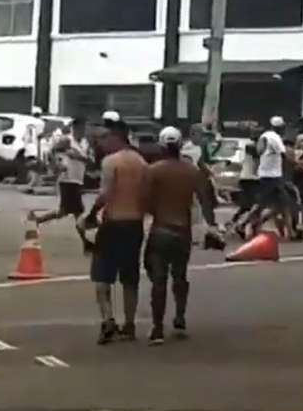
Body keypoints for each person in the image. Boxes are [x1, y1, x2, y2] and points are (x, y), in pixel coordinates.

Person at [143, 126, 217, 345]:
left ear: (162, 146)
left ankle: (157, 328)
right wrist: (211, 226)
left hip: (161, 228)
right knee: (180, 276)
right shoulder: (191, 171)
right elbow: (205, 200)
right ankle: (180, 316)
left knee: (158, 279)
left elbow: (144, 200)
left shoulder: (154, 170)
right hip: (182, 230)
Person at [82, 119, 148, 345]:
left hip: (113, 223)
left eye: (105, 138)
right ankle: (129, 325)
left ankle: (108, 319)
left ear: (117, 137)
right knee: (130, 277)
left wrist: (91, 214)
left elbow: (106, 193)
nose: (102, 143)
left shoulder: (111, 162)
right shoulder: (141, 162)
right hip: (134, 223)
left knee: (102, 276)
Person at [28, 117, 93, 254]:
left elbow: (89, 160)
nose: (83, 131)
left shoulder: (85, 143)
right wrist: (56, 166)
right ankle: (86, 243)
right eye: (81, 128)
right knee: (78, 212)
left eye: (85, 129)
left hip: (77, 179)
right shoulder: (67, 140)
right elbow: (51, 151)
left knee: (64, 211)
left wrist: (80, 158)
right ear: (75, 128)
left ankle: (38, 219)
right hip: (67, 180)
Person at [238, 116, 290, 238]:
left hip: (268, 174)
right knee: (263, 204)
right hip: (272, 176)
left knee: (282, 203)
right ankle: (243, 224)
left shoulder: (265, 136)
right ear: (279, 127)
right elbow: (283, 155)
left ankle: (289, 232)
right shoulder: (275, 137)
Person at [229, 133, 260, 231]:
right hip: (251, 179)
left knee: (247, 204)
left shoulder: (247, 148)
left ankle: (235, 221)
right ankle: (242, 224)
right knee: (255, 203)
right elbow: (256, 164)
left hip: (246, 178)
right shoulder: (252, 148)